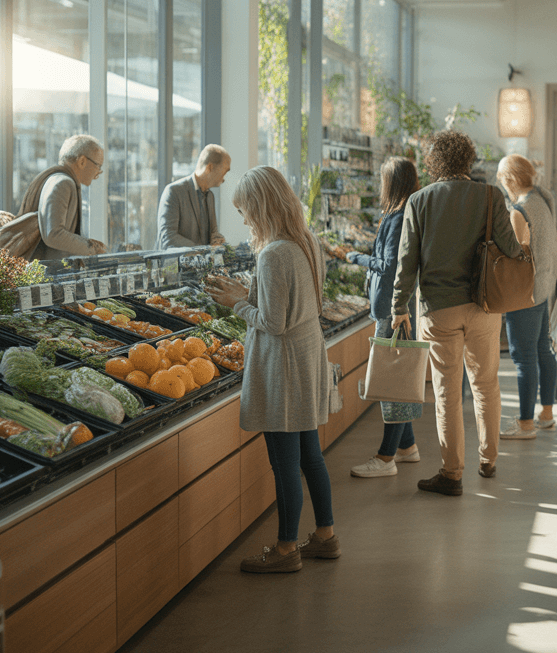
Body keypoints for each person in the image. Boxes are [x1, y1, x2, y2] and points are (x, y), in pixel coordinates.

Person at [205, 166, 337, 573]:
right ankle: (325, 536)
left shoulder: (273, 252)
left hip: (284, 366)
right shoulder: (305, 240)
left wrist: (236, 305)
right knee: (310, 454)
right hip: (307, 353)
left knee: (283, 462)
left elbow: (273, 323)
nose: (243, 219)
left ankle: (285, 549)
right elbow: (292, 303)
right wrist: (247, 294)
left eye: (245, 209)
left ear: (261, 206)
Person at [392, 130, 522, 495]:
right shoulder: (490, 195)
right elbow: (510, 250)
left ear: (434, 162)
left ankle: (451, 473)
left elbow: (407, 261)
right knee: (486, 384)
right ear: (468, 159)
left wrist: (398, 307)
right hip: (484, 305)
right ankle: (489, 459)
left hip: (438, 310)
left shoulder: (419, 201)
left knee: (448, 393)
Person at [339, 157, 423, 477]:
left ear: (391, 182)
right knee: (397, 376)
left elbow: (388, 265)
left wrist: (356, 257)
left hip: (393, 310)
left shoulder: (396, 217)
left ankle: (386, 458)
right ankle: (407, 447)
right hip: (401, 307)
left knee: (391, 381)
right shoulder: (408, 213)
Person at [496, 154, 557, 441]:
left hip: (524, 293)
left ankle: (524, 424)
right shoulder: (542, 201)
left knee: (523, 359)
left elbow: (514, 255)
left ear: (509, 179)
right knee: (543, 352)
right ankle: (545, 415)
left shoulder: (519, 211)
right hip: (544, 286)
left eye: (500, 179)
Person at [19, 134, 107, 261]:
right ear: (82, 161)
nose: (99, 172)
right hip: (49, 274)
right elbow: (53, 234)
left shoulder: (58, 180)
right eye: (98, 165)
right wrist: (91, 248)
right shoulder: (63, 183)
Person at [157, 144, 231, 249]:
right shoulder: (173, 192)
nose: (224, 178)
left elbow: (213, 234)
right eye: (225, 171)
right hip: (176, 265)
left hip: (203, 264)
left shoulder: (210, 196)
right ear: (210, 167)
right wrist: (202, 250)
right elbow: (168, 238)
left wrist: (217, 240)